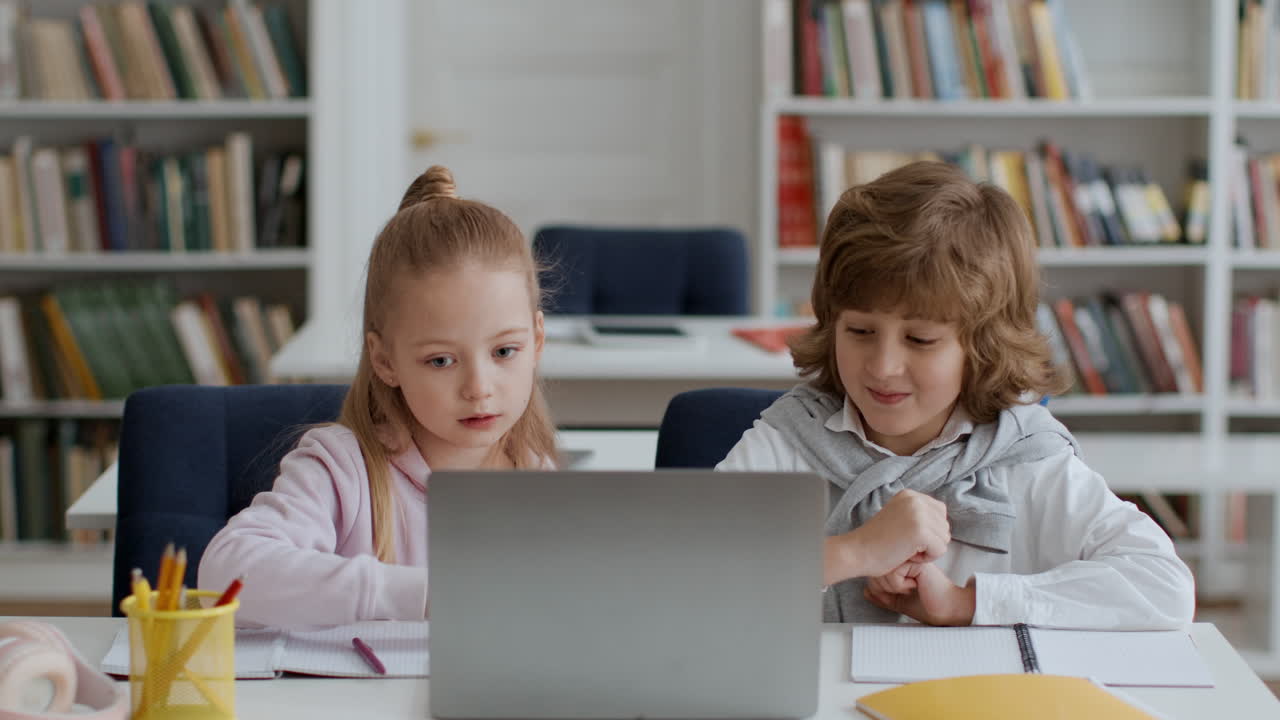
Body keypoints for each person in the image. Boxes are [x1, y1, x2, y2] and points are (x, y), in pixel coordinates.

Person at [717, 161, 1194, 629]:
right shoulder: (789, 440)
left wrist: (970, 603)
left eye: (920, 340)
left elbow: (1164, 585)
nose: (883, 366)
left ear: (981, 345)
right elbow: (672, 575)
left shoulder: (1025, 456)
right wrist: (853, 552)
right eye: (860, 331)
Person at [199, 165, 557, 627]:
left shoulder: (541, 480)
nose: (479, 387)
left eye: (505, 351)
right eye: (441, 361)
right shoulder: (342, 469)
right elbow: (225, 572)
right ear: (385, 359)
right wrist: (423, 595)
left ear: (538, 341)